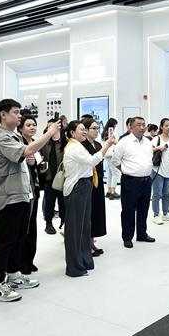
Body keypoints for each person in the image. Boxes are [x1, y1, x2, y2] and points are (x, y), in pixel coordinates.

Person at [0, 99, 59, 302]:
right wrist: (49, 132)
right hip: (9, 196)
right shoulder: (2, 138)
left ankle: (12, 275)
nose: (19, 116)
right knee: (5, 240)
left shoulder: (15, 136)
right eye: (16, 112)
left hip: (22, 194)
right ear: (3, 115)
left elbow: (27, 156)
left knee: (19, 237)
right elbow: (26, 151)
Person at [63, 120, 115, 276]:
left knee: (84, 228)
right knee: (75, 230)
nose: (85, 131)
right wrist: (108, 144)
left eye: (85, 129)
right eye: (81, 129)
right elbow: (92, 161)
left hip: (84, 186)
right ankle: (74, 267)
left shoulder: (79, 146)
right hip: (77, 188)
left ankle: (84, 260)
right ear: (72, 133)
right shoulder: (73, 147)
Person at [110, 117, 155, 248]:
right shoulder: (124, 142)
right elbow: (115, 161)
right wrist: (126, 171)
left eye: (143, 125)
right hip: (130, 181)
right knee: (128, 210)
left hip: (146, 181)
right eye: (138, 125)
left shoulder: (148, 142)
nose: (142, 127)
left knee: (143, 209)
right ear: (131, 127)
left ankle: (142, 234)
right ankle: (127, 237)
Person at [18, 114, 44, 278]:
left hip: (34, 188)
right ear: (21, 128)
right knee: (24, 226)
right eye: (28, 125)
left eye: (34, 124)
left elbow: (38, 164)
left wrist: (38, 164)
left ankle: (29, 260)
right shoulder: (19, 143)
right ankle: (21, 262)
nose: (32, 127)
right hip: (22, 189)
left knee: (32, 226)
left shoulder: (35, 143)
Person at [80, 116, 108, 255]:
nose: (97, 131)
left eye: (98, 128)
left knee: (96, 212)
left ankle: (91, 240)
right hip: (86, 182)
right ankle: (86, 243)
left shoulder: (97, 145)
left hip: (98, 182)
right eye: (94, 128)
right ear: (85, 129)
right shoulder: (81, 145)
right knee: (87, 213)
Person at [40, 118, 65, 234]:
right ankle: (48, 224)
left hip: (63, 179)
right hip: (49, 178)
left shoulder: (66, 142)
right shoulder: (44, 143)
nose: (50, 129)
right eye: (49, 127)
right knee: (49, 202)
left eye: (53, 126)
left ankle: (64, 223)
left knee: (63, 203)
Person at [150, 118, 169, 225]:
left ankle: (166, 213)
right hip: (158, 170)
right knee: (157, 194)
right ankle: (156, 215)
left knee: (166, 194)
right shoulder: (157, 138)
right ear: (161, 127)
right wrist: (158, 148)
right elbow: (149, 150)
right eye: (166, 125)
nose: (168, 127)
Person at [102, 118, 121, 200]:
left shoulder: (104, 132)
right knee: (116, 173)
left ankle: (109, 191)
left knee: (110, 173)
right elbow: (114, 141)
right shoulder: (112, 131)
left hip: (106, 154)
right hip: (112, 154)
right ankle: (113, 192)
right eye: (115, 124)